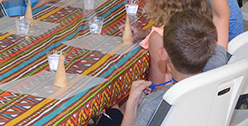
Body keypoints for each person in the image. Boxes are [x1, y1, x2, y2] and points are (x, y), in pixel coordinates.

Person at [97, 10, 226, 126]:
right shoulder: (219, 69)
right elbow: (222, 16)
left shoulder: (153, 103)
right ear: (211, 50)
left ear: (163, 54)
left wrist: (131, 106)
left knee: (111, 114)